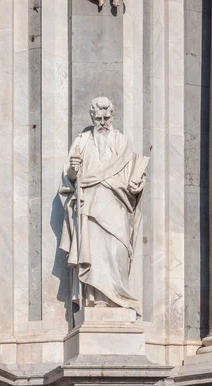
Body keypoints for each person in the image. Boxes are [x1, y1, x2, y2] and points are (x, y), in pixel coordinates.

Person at [59, 97, 147, 316]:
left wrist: (136, 185)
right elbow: (69, 177)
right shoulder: (82, 141)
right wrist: (72, 169)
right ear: (92, 117)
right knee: (94, 253)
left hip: (118, 204)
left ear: (112, 116)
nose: (103, 122)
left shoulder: (123, 142)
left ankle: (117, 298)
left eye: (107, 117)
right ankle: (95, 300)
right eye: (98, 118)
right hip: (90, 204)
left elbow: (134, 178)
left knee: (117, 251)